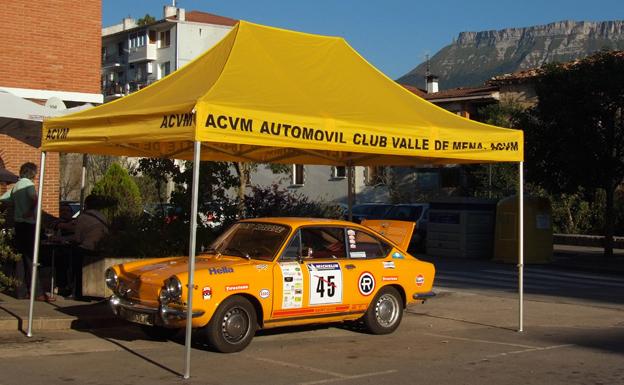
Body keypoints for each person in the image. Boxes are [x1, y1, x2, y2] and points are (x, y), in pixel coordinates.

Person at [0, 162, 50, 301]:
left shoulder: (16, 185)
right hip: (29, 224)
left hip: (18, 224)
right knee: (31, 257)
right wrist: (28, 211)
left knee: (20, 259)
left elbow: (3, 199)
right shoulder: (28, 184)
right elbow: (34, 199)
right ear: (32, 173)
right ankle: (38, 292)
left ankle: (20, 292)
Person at [67, 194, 109, 298]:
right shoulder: (103, 217)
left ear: (86, 205)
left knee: (73, 257)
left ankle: (77, 291)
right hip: (101, 250)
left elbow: (77, 239)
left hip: (87, 249)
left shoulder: (83, 217)